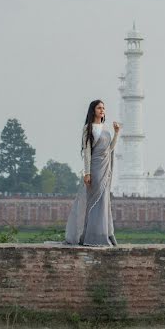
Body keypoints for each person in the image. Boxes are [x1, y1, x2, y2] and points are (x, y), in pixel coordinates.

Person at [64, 99, 121, 246]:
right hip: (95, 168)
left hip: (105, 167)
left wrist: (116, 133)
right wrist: (87, 173)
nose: (102, 110)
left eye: (103, 108)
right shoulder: (88, 129)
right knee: (92, 202)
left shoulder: (106, 128)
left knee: (104, 202)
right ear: (93, 110)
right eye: (99, 108)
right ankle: (88, 236)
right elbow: (87, 152)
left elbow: (110, 149)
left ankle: (105, 234)